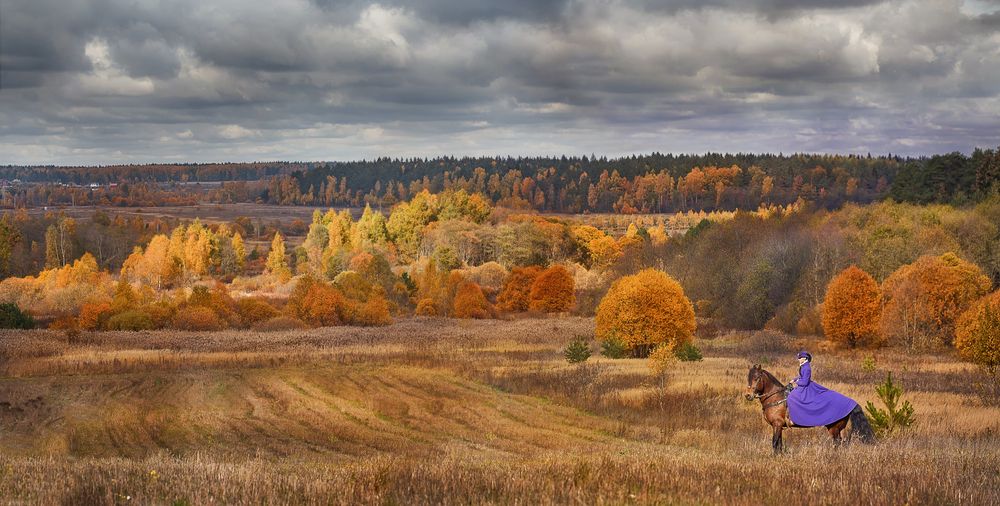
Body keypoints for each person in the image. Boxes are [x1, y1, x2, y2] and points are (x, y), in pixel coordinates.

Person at [786, 351, 857, 427]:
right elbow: (801, 376)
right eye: (798, 358)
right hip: (803, 386)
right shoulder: (803, 366)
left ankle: (795, 419)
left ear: (804, 358)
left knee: (792, 397)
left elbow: (805, 382)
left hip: (806, 387)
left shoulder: (807, 368)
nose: (798, 359)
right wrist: (794, 379)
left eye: (800, 358)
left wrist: (797, 382)